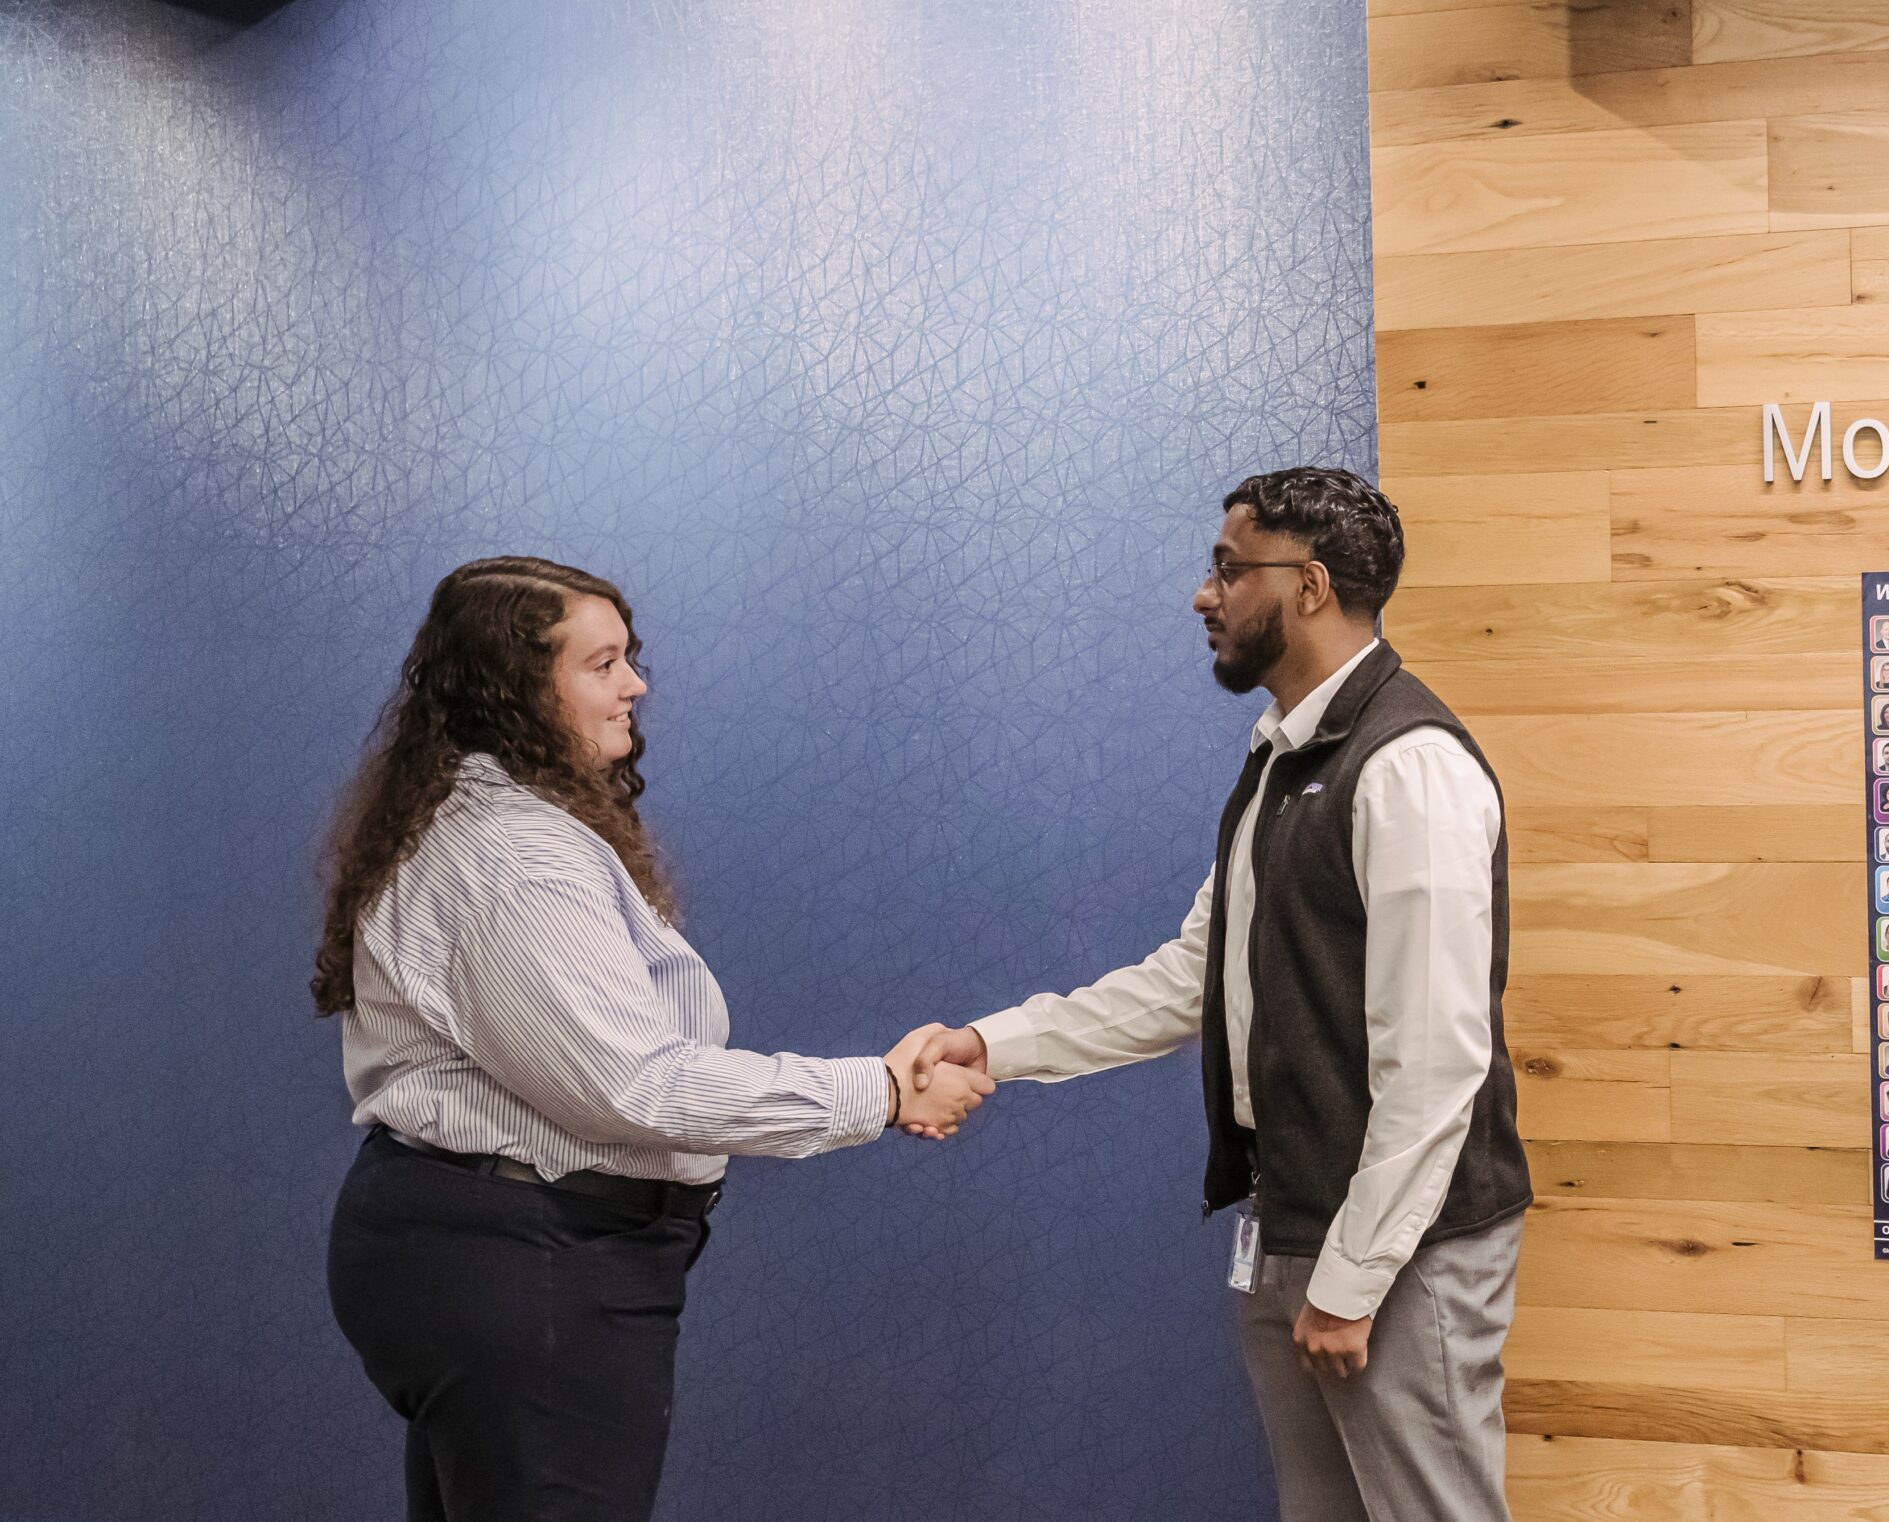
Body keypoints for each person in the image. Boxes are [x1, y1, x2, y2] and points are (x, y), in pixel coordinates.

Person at [893, 470, 1530, 1522]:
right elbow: (1194, 973)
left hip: (1398, 1249)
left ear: (1312, 587)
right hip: (1290, 1216)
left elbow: (1436, 1057)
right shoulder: (1283, 755)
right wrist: (988, 1044)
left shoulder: (1409, 767)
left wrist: (1351, 1276)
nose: (1205, 594)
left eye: (1230, 569)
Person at [317, 558, 993, 1522]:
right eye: (602, 664)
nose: (634, 685)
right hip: (530, 1267)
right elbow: (631, 1084)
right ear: (516, 686)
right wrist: (877, 1093)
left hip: (490, 1255)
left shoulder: (487, 819)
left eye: (628, 659)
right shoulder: (515, 858)